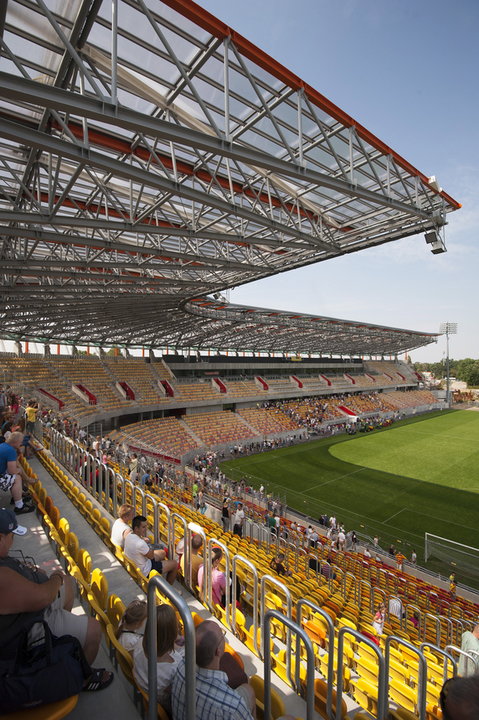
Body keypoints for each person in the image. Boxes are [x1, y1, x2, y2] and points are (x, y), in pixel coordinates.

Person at [0, 508, 112, 691]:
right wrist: (56, 578)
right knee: (94, 629)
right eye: (11, 535)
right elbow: (43, 597)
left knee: (68, 584)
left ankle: (60, 638)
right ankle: (81, 678)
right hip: (27, 627)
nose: (13, 540)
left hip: (32, 607)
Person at [171, 620, 256, 720]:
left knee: (247, 690)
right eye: (222, 636)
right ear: (218, 651)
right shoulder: (232, 707)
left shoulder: (181, 666)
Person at [134, 603, 184, 711]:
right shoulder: (175, 667)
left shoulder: (138, 645)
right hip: (166, 706)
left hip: (148, 695)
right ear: (172, 634)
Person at [124, 515, 177, 584]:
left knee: (162, 553)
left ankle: (160, 573)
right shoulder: (140, 543)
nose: (146, 529)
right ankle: (169, 590)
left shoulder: (129, 536)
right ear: (136, 528)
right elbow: (151, 556)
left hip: (139, 564)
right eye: (143, 527)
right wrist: (149, 543)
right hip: (146, 570)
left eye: (146, 526)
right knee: (175, 564)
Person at [0, 431, 36, 514]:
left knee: (16, 475)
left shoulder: (3, 445)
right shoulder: (10, 451)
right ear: (15, 442)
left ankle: (17, 495)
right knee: (17, 477)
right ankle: (19, 506)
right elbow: (12, 471)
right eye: (20, 442)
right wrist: (19, 471)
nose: (21, 444)